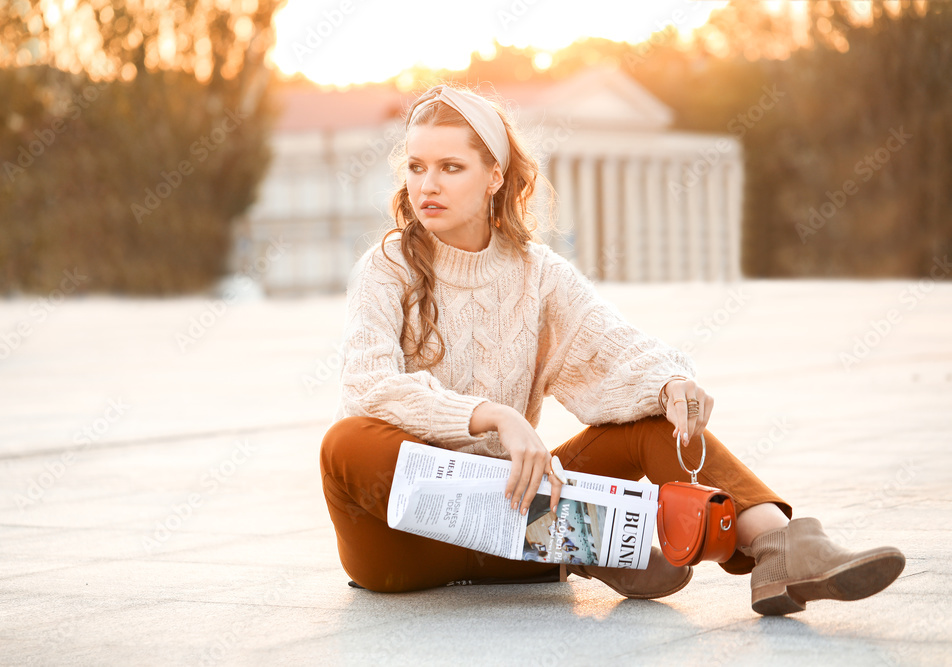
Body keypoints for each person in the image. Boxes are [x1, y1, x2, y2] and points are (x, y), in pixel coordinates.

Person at [319, 83, 905, 615]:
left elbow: (615, 349)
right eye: (417, 167)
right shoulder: (386, 267)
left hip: (521, 524)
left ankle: (782, 549)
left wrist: (670, 384)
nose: (428, 185)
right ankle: (596, 539)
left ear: (495, 176)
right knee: (346, 442)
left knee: (652, 418)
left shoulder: (538, 274)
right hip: (404, 548)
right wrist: (491, 415)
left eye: (451, 167)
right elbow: (369, 386)